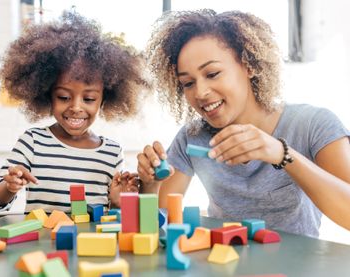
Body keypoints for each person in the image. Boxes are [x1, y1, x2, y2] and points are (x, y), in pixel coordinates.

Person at [137, 9, 350, 237]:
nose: (200, 92)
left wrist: (282, 153)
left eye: (212, 73)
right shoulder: (192, 137)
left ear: (248, 66)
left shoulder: (313, 125)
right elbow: (155, 225)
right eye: (188, 83)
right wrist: (150, 184)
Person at [0, 11, 152, 213]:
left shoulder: (111, 152)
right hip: (44, 244)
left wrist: (117, 202)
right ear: (48, 95)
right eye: (64, 97)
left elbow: (109, 216)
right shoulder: (33, 142)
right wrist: (9, 187)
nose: (75, 107)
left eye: (89, 99)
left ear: (103, 100)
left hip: (89, 244)